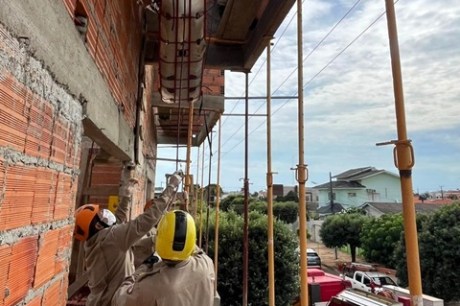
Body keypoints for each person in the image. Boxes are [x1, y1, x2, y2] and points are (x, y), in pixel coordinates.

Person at [73, 169, 183, 306]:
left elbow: (117, 221)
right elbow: (146, 220)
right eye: (99, 215)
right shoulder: (112, 239)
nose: (103, 212)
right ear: (98, 226)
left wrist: (126, 196)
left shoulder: (97, 240)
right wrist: (171, 187)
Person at [111, 210, 216, 306]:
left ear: (159, 239)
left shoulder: (149, 288)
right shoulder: (207, 264)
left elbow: (118, 300)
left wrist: (144, 268)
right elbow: (194, 247)